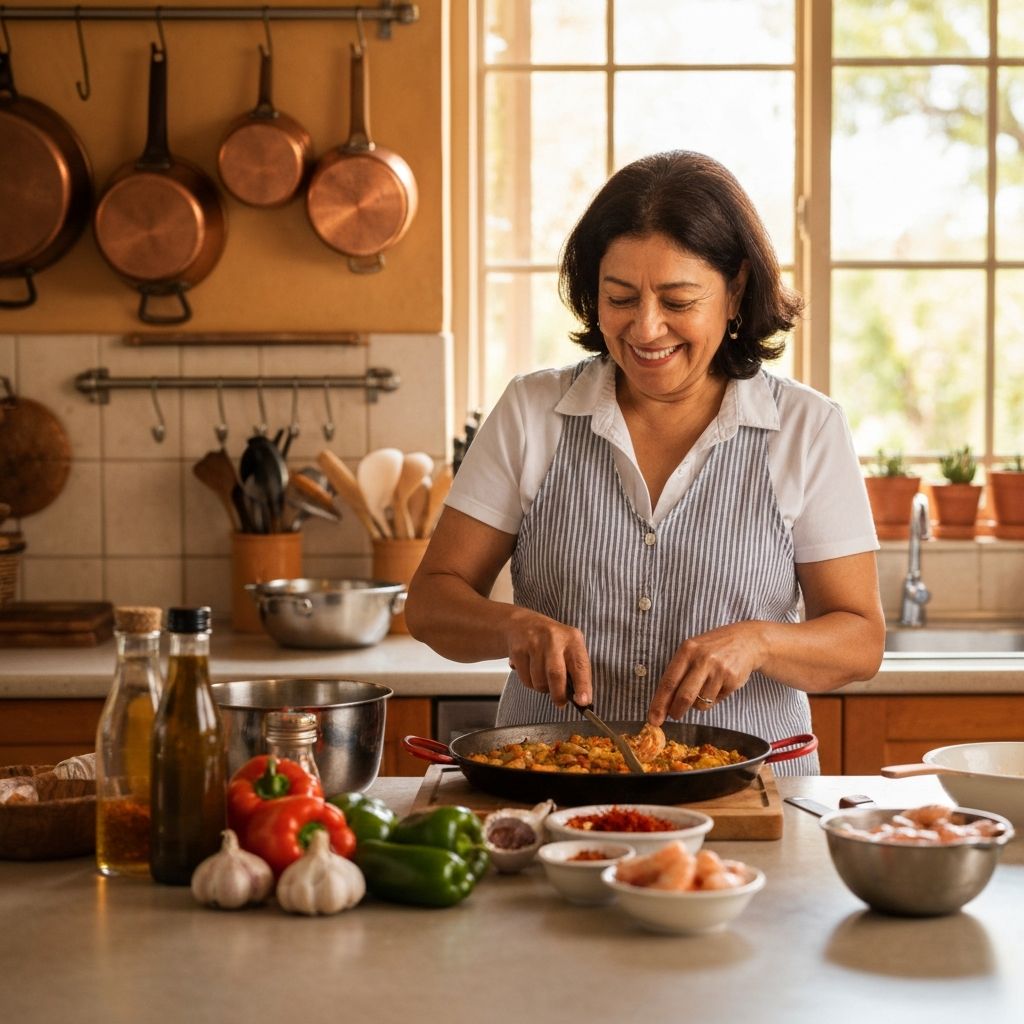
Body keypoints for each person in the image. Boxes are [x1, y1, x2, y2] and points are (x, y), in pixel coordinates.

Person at [405, 150, 885, 774]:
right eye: (620, 298)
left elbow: (861, 640)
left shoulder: (806, 428)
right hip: (559, 791)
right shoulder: (532, 412)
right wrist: (511, 626)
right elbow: (431, 602)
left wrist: (759, 640)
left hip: (748, 802)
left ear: (736, 289)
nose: (646, 328)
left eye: (678, 300)